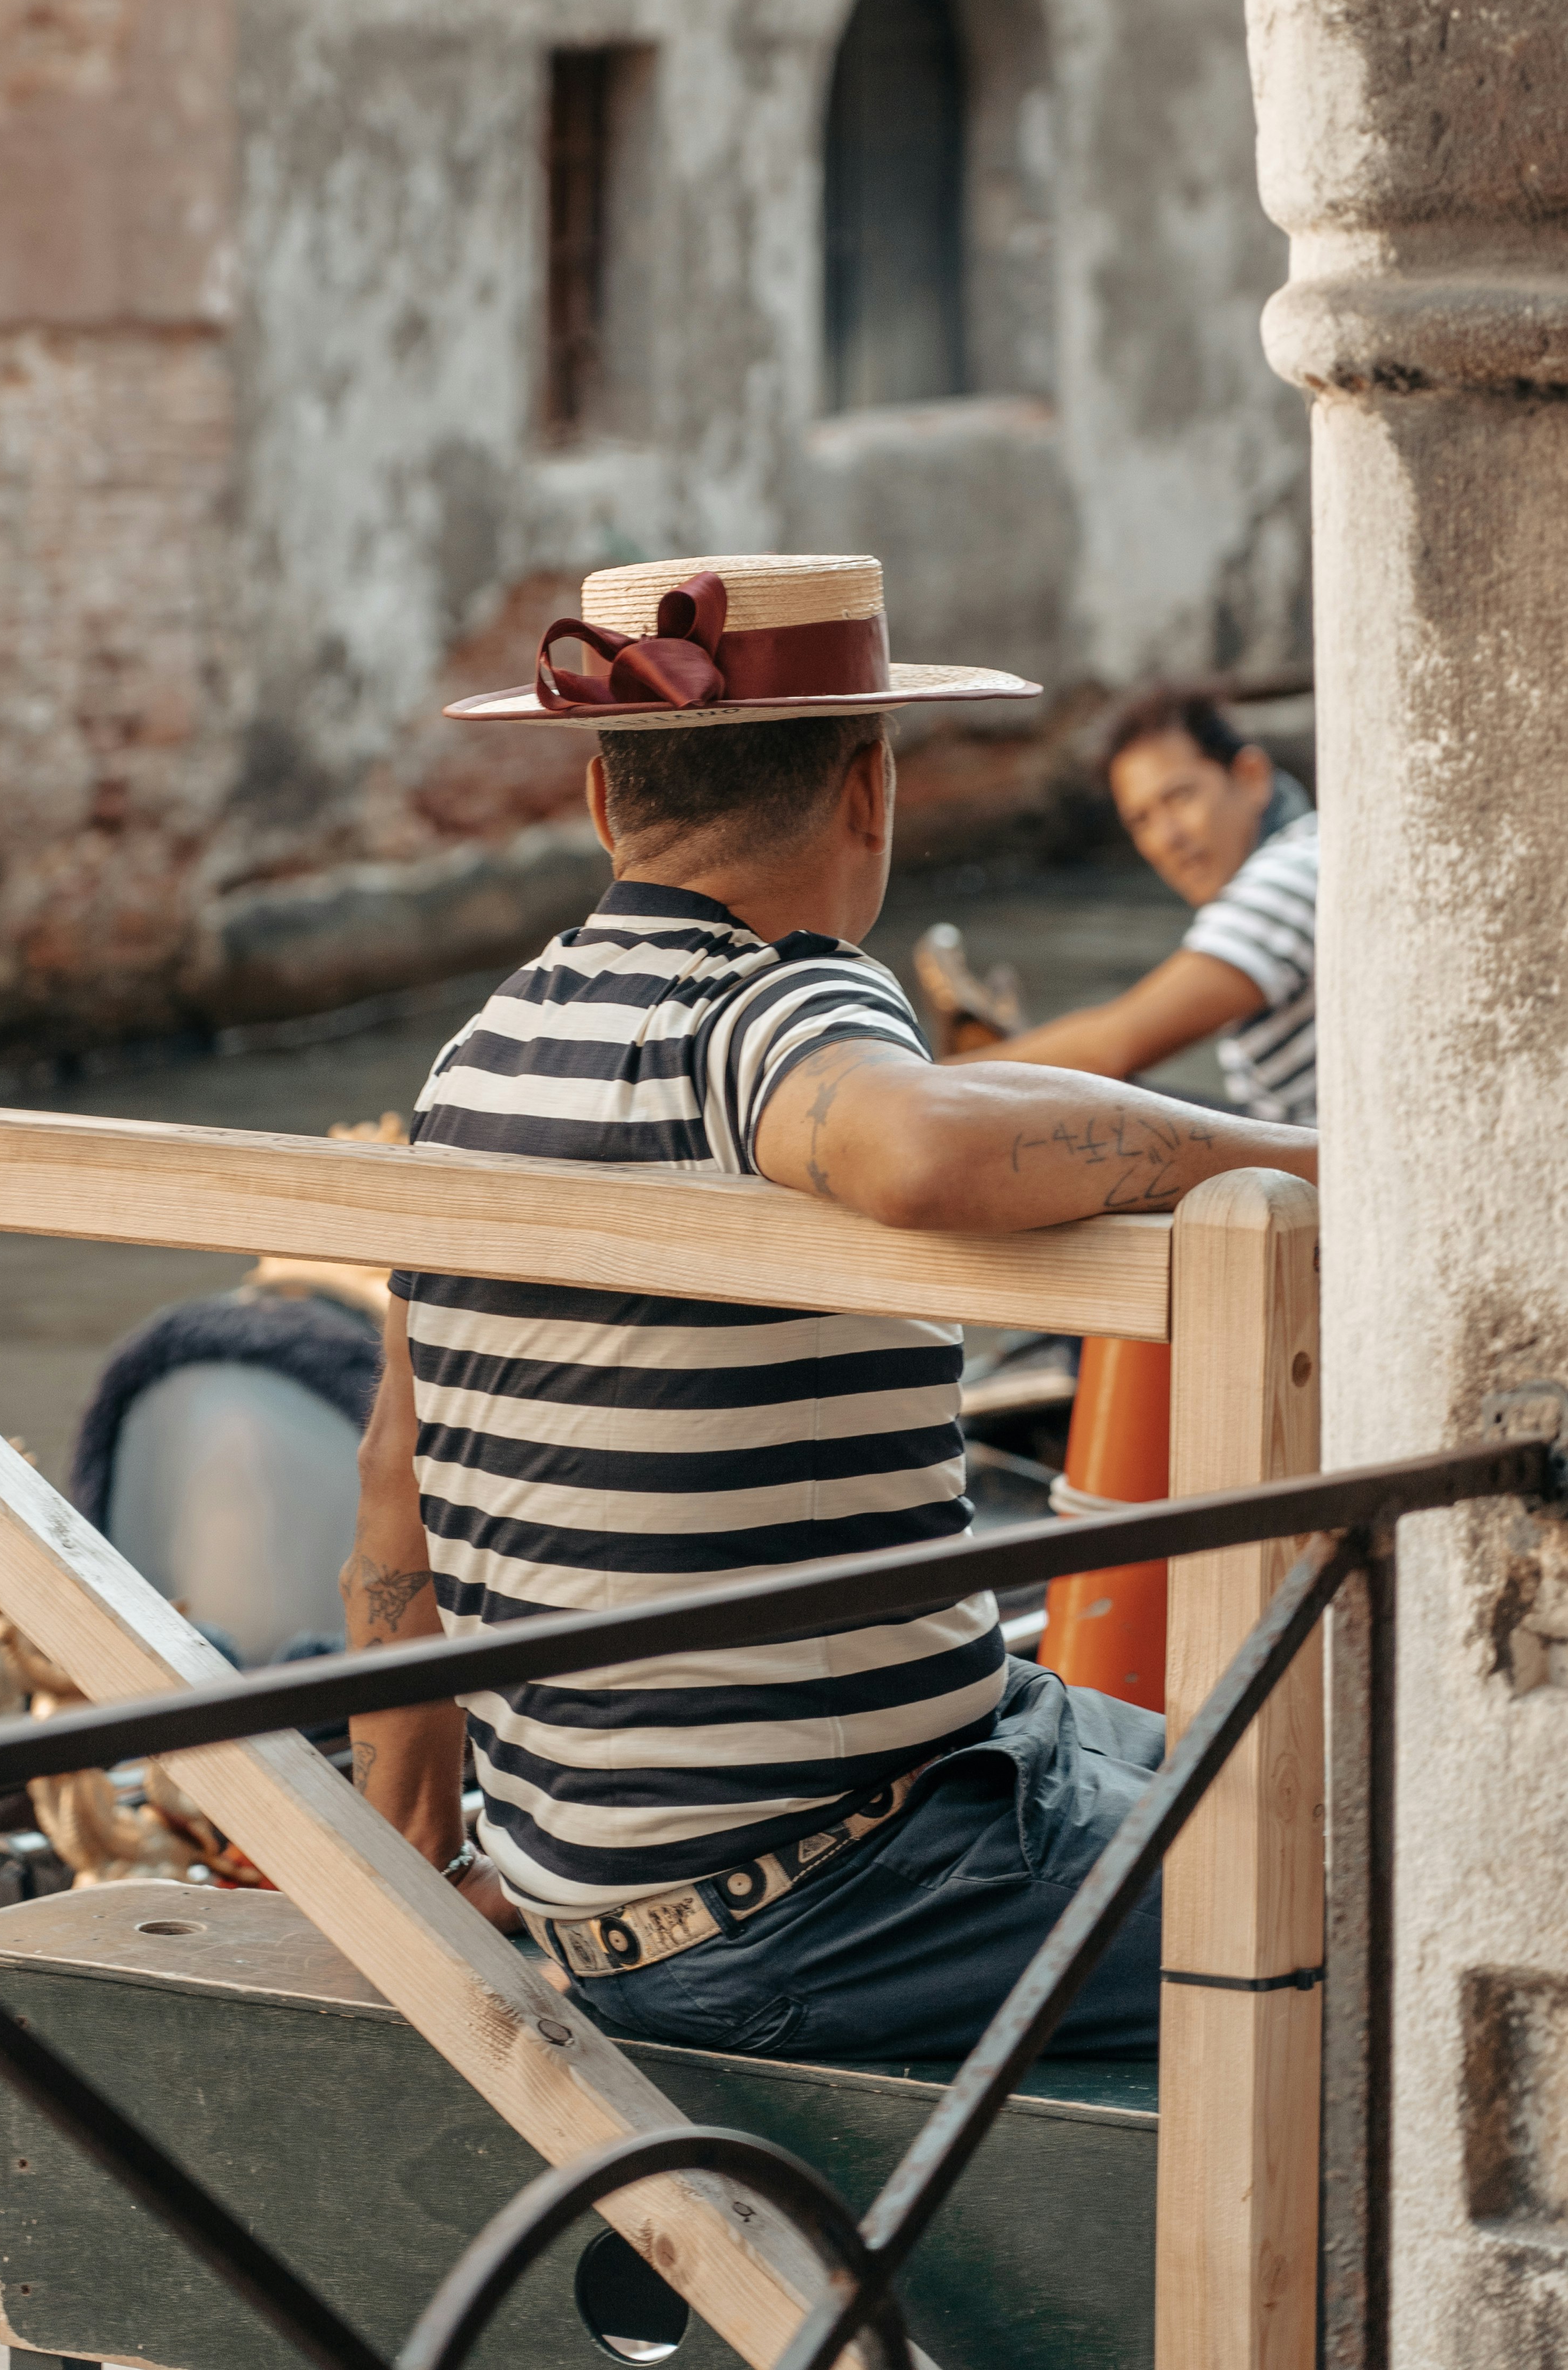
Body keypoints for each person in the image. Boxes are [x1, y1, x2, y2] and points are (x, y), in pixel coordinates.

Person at [340, 556, 1315, 2066]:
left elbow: (389, 1475)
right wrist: (1305, 1167)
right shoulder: (781, 996)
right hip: (842, 1893)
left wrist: (409, 1855)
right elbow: (917, 1147)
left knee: (1320, 1766)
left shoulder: (478, 1055)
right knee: (1414, 1884)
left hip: (625, 1885)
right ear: (871, 788)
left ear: (606, 806)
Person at [916, 685, 1318, 1125]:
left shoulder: (1290, 874)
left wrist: (914, 1088)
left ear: (1250, 777)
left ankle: (996, 1061)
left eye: (1180, 797)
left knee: (1084, 1110)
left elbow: (1114, 1045)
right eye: (1141, 820)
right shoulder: (1304, 852)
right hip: (1298, 1139)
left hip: (1330, 1166)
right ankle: (1002, 1060)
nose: (1167, 839)